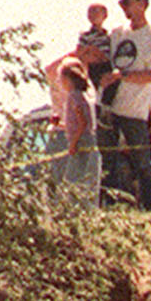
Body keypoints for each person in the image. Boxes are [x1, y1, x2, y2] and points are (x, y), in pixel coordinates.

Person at [98, 0, 151, 211]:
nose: (123, 7)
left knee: (142, 164)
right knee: (107, 161)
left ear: (142, 4)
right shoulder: (117, 34)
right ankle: (109, 206)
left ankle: (150, 208)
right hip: (110, 106)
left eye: (127, 2)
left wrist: (122, 76)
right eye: (120, 3)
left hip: (134, 109)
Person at [45, 57, 98, 198]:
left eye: (61, 80)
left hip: (82, 141)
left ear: (68, 80)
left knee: (74, 180)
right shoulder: (78, 96)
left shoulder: (74, 97)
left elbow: (83, 123)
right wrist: (59, 125)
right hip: (81, 138)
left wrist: (73, 143)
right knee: (74, 178)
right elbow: (75, 125)